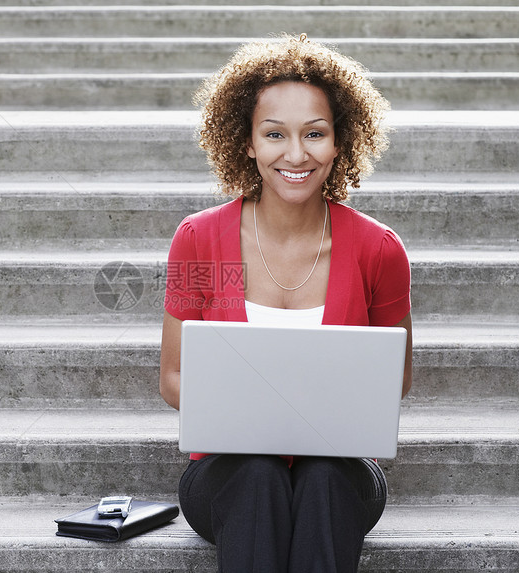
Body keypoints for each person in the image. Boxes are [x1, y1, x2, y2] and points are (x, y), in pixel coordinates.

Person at [158, 34, 413, 572]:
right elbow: (174, 377)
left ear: (340, 141)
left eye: (314, 134)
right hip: (228, 471)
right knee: (259, 473)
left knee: (320, 476)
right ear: (247, 142)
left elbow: (398, 378)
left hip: (341, 473)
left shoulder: (378, 249)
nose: (296, 154)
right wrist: (253, 416)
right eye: (274, 134)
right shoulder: (199, 240)